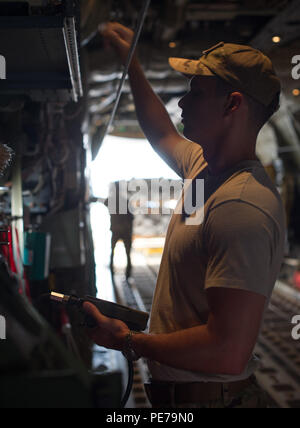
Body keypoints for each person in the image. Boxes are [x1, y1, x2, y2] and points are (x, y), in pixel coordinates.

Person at [84, 23, 286, 408]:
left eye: (196, 92)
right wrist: (132, 64)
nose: (182, 103)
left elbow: (226, 351)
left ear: (232, 105)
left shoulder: (240, 208)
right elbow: (160, 131)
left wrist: (126, 340)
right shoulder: (202, 169)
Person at [97, 181, 134, 279]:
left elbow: (104, 202)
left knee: (112, 251)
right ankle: (128, 273)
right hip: (125, 230)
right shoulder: (125, 200)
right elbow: (131, 217)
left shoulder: (111, 200)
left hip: (115, 230)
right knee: (127, 253)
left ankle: (112, 272)